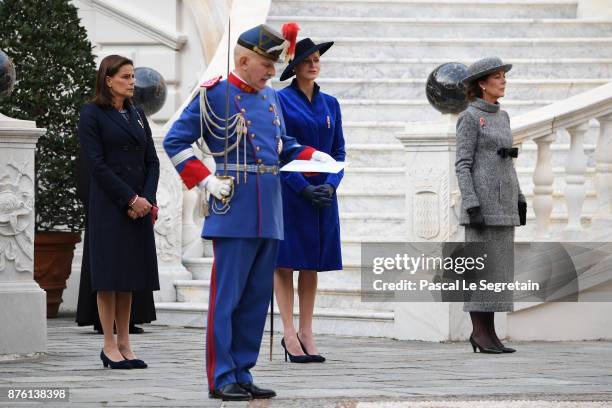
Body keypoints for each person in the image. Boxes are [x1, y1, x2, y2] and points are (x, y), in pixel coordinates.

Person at [163, 24, 335, 401]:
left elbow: (283, 145)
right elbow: (175, 140)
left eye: (274, 65)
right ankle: (221, 375)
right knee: (228, 299)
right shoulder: (216, 95)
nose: (272, 72)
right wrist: (205, 180)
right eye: (266, 65)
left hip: (270, 210)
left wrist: (310, 155)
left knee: (257, 299)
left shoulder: (270, 99)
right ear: (243, 60)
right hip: (234, 207)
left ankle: (242, 370)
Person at [78, 54, 160, 369]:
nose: (131, 82)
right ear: (108, 79)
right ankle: (109, 345)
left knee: (128, 277)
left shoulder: (137, 114)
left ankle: (126, 342)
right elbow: (96, 165)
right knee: (109, 277)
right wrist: (129, 199)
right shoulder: (91, 113)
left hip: (139, 205)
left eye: (132, 77)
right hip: (111, 205)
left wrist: (147, 199)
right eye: (125, 77)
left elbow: (151, 160)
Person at [274, 37, 345, 364]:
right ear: (294, 66)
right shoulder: (279, 100)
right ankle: (288, 333)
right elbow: (278, 148)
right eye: (307, 60)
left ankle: (307, 331)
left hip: (324, 195)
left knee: (312, 263)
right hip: (291, 192)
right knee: (286, 263)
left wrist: (331, 185)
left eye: (316, 59)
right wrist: (301, 186)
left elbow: (339, 151)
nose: (313, 64)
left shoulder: (331, 103)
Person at [455, 56, 527, 354]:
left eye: (503, 76)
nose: (503, 80)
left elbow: (507, 162)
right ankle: (478, 333)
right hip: (481, 208)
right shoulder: (470, 117)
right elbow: (462, 164)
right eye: (497, 77)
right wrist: (472, 203)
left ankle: (491, 333)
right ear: (482, 84)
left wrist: (520, 198)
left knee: (498, 272)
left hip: (504, 204)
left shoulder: (503, 116)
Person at [75, 154, 156, 336]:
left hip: (135, 197)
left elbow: (150, 162)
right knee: (104, 265)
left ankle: (131, 321)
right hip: (104, 202)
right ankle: (100, 320)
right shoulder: (94, 132)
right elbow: (92, 169)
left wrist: (144, 200)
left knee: (130, 265)